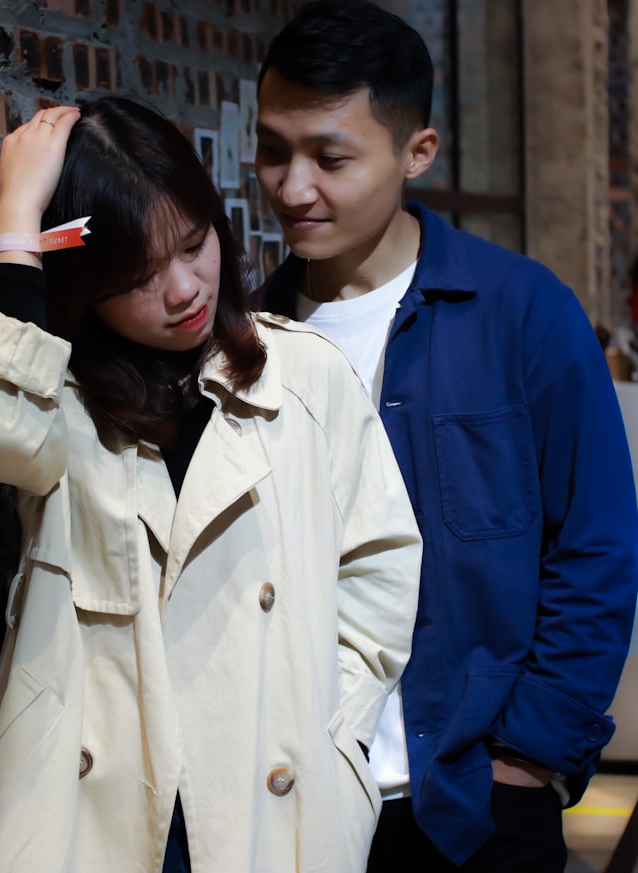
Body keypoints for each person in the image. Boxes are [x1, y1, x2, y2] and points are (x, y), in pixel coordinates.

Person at [0, 95, 423, 872]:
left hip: (268, 797)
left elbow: (382, 564)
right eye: (140, 275)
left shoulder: (302, 374)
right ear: (86, 283)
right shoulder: (59, 398)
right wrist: (19, 217)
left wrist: (336, 733)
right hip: (108, 814)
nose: (184, 289)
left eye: (195, 244)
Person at [254, 2, 638, 871]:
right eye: (273, 149)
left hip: (474, 801)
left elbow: (596, 547)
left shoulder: (521, 313)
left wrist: (530, 756)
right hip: (301, 798)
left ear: (415, 153)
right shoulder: (251, 335)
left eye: (330, 156)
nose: (291, 186)